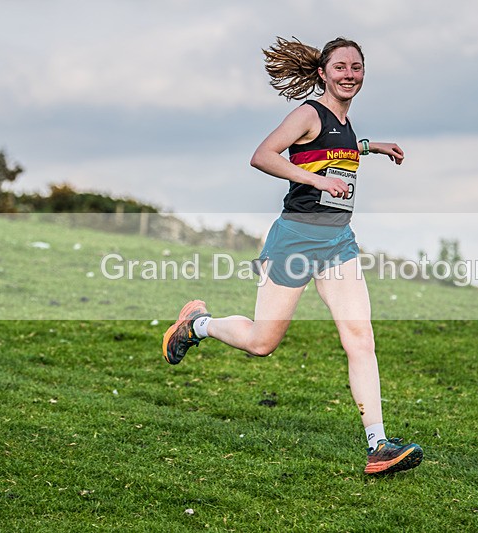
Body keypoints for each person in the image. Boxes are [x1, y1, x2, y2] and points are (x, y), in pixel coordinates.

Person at [162, 36, 423, 475]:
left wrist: (372, 147)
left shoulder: (345, 122)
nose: (349, 74)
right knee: (262, 343)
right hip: (296, 240)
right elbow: (262, 155)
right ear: (323, 73)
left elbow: (334, 148)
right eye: (340, 67)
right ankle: (197, 325)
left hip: (338, 242)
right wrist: (317, 182)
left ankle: (378, 445)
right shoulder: (307, 112)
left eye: (356, 67)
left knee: (360, 338)